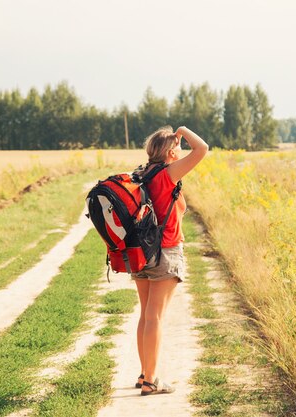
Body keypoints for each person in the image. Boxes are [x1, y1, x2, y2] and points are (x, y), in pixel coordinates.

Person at [131, 126, 208, 396]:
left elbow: (177, 207)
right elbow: (203, 149)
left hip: (140, 253)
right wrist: (183, 131)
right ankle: (151, 381)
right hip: (165, 251)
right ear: (172, 151)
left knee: (146, 315)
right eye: (177, 146)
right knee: (156, 317)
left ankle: (144, 374)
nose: (181, 149)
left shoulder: (142, 174)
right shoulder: (167, 174)